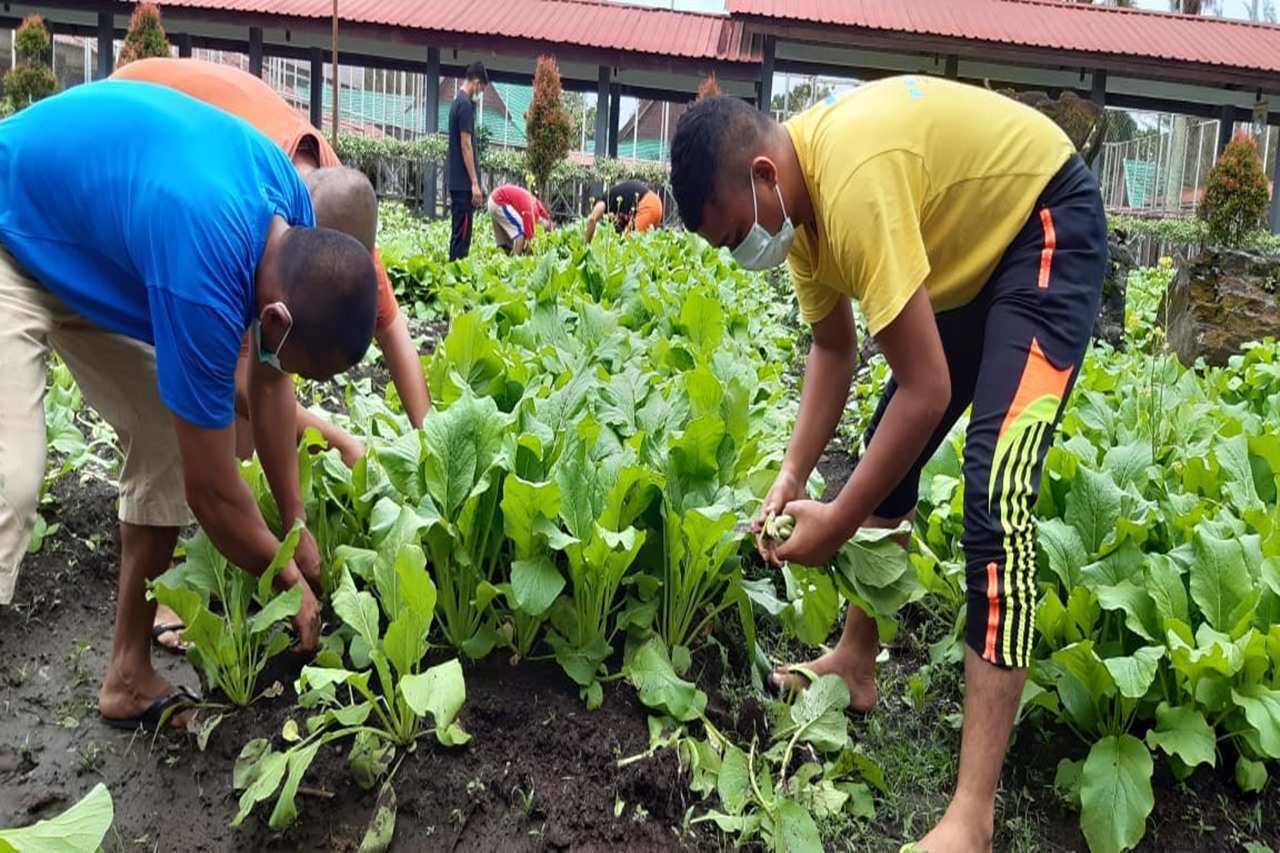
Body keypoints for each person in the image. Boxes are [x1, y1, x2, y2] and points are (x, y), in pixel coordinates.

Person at [670, 78, 1105, 852]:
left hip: (1045, 223)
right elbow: (835, 348)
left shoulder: (852, 182)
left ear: (763, 176)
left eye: (736, 234)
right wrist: (793, 477)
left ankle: (971, 819)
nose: (742, 252)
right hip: (979, 251)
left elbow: (928, 387)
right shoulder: (798, 210)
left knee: (995, 491)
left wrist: (837, 524)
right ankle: (856, 661)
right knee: (886, 443)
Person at [0, 80, 379, 730]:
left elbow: (268, 379)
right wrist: (284, 572)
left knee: (158, 430)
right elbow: (212, 492)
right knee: (11, 478)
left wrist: (294, 523)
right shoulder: (206, 273)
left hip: (93, 252)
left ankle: (126, 676)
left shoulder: (290, 219)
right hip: (14, 227)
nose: (286, 369)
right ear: (279, 317)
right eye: (296, 358)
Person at [111, 57, 431, 652]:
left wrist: (433, 451)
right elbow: (232, 383)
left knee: (224, 406)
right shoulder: (236, 225)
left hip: (160, 171)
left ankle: (192, 562)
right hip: (126, 145)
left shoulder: (335, 215)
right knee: (193, 410)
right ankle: (172, 592)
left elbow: (392, 332)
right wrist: (335, 444)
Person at [447, 61, 489, 261]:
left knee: (458, 236)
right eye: (481, 88)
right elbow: (466, 144)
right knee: (462, 240)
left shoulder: (457, 103)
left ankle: (451, 279)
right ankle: (454, 282)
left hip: (457, 182)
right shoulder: (464, 105)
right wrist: (474, 183)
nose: (479, 92)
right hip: (464, 185)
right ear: (476, 82)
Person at [584, 180, 663, 244]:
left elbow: (592, 219)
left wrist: (586, 244)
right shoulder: (617, 203)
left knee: (630, 246)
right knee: (645, 246)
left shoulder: (604, 200)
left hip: (646, 204)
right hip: (656, 203)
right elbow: (620, 229)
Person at [487, 184, 553, 255]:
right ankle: (516, 262)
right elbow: (531, 241)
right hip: (499, 201)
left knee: (505, 243)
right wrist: (527, 256)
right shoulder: (531, 213)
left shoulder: (538, 207)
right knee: (520, 233)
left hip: (495, 199)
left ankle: (503, 256)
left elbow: (548, 221)